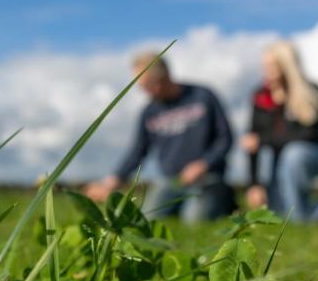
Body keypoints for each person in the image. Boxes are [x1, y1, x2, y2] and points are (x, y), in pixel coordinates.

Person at [84, 52, 235, 222]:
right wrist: (113, 180)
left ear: (164, 78)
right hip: (170, 180)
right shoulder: (149, 112)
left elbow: (226, 139)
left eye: (148, 85)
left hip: (207, 179)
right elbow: (138, 151)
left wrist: (204, 164)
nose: (145, 91)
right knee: (148, 218)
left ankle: (223, 203)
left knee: (194, 220)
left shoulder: (203, 96)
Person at [242, 40, 318, 223]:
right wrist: (254, 184)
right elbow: (252, 141)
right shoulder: (260, 96)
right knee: (275, 211)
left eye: (271, 66)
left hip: (313, 154)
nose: (266, 70)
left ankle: (300, 220)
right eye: (264, 65)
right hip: (280, 162)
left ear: (286, 65)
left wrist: (264, 140)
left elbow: (308, 134)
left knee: (293, 155)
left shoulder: (310, 91)